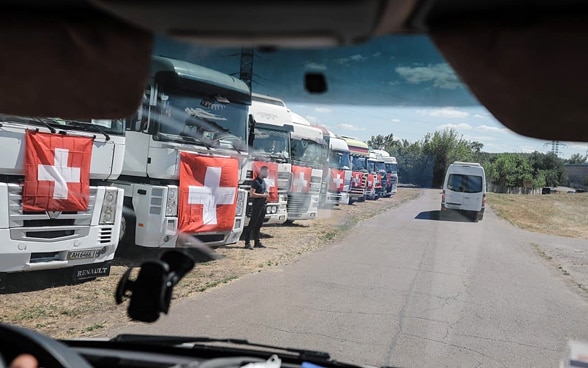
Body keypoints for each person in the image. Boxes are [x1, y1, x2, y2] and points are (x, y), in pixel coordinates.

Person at [243, 166, 269, 249]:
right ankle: (247, 243)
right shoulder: (256, 182)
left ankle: (257, 242)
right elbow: (251, 194)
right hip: (257, 205)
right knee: (252, 223)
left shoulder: (263, 182)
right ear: (262, 172)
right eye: (267, 172)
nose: (268, 174)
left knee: (259, 224)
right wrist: (263, 195)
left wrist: (266, 195)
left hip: (263, 205)